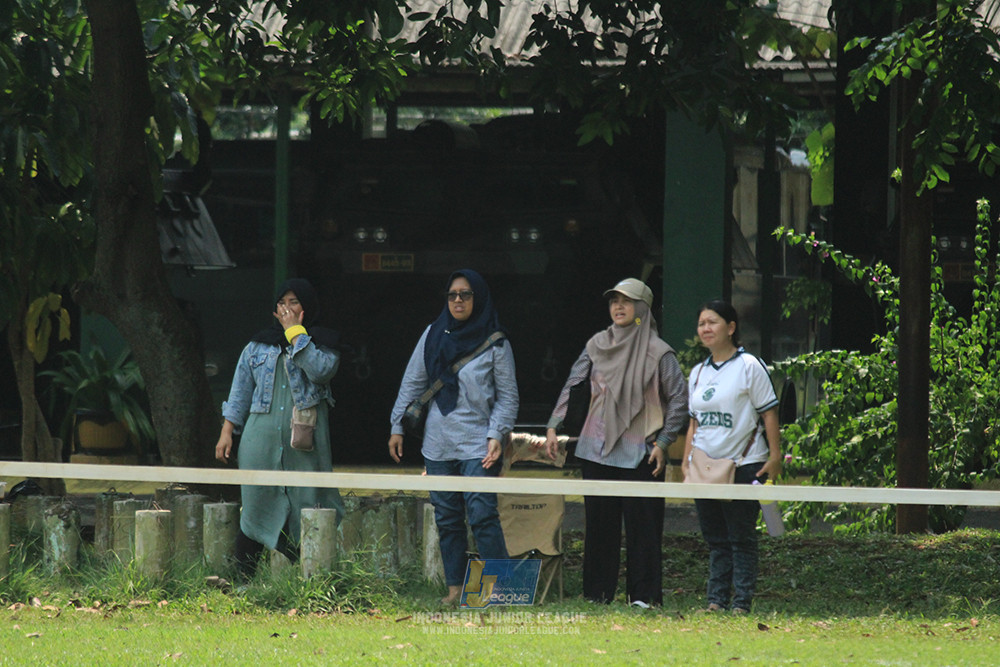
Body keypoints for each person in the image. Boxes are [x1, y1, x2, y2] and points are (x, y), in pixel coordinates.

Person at [543, 278, 688, 607]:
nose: (618, 307)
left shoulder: (659, 353)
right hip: (596, 449)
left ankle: (645, 597)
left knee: (644, 528)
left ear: (643, 309)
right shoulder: (596, 344)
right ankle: (598, 594)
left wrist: (664, 442)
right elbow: (574, 383)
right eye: (614, 301)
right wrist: (554, 425)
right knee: (599, 527)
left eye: (627, 301)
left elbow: (679, 399)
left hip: (642, 452)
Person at [388, 269, 519, 605]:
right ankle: (456, 589)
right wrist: (397, 426)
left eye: (466, 294)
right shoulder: (433, 333)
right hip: (438, 442)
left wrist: (496, 434)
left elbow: (508, 397)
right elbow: (413, 383)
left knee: (481, 513)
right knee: (447, 517)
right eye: (452, 295)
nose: (458, 300)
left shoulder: (495, 340)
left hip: (479, 440)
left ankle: (498, 590)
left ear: (479, 297)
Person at [215, 278, 345, 579]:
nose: (286, 309)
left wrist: (296, 335)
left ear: (307, 308)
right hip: (259, 440)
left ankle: (314, 580)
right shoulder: (256, 346)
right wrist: (226, 432)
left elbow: (321, 371)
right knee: (257, 505)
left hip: (305, 442)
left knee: (309, 503)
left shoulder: (323, 344)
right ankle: (242, 582)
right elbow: (239, 393)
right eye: (282, 303)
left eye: (294, 303)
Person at [682, 299, 782, 614]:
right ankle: (716, 602)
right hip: (705, 467)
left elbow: (769, 413)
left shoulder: (750, 366)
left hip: (745, 463)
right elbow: (693, 423)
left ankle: (741, 604)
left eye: (712, 322)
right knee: (715, 539)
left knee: (740, 537)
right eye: (701, 324)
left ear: (731, 327)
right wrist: (687, 463)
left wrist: (775, 456)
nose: (706, 329)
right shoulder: (697, 372)